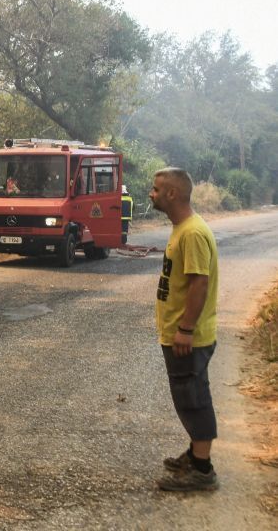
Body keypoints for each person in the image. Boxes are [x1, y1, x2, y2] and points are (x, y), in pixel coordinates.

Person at [149, 167, 220, 492]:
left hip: (189, 337)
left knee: (193, 399)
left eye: (155, 189)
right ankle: (195, 455)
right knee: (188, 395)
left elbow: (199, 284)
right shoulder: (183, 228)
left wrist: (186, 329)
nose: (151, 193)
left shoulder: (191, 233)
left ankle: (202, 471)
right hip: (181, 333)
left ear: (172, 194)